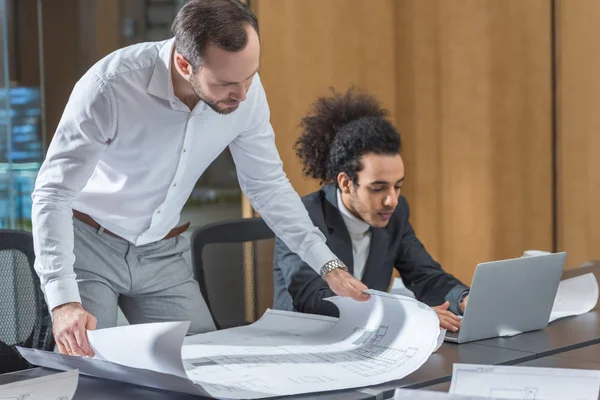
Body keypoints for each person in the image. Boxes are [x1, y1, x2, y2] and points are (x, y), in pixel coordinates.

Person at [32, 0, 367, 358]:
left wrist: (327, 264)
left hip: (162, 251)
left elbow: (267, 185)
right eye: (225, 83)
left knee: (205, 363)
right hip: (89, 245)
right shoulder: (110, 86)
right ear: (183, 63)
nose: (241, 93)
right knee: (94, 368)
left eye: (250, 75)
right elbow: (53, 194)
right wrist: (63, 300)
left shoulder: (245, 93)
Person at [272, 88, 470, 331]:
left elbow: (425, 275)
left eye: (398, 187)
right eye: (378, 188)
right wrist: (408, 314)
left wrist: (464, 300)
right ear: (345, 182)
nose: (392, 200)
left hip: (368, 345)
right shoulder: (302, 217)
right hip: (304, 344)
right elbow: (315, 301)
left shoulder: (395, 213)